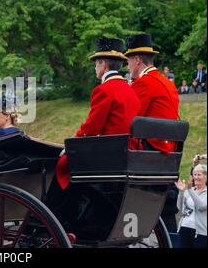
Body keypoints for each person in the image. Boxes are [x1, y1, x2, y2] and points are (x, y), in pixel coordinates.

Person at [49, 37, 141, 240]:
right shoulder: (131, 91)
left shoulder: (104, 90)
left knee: (64, 163)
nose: (95, 68)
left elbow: (91, 127)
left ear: (104, 64)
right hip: (126, 153)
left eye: (96, 64)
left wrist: (71, 144)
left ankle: (54, 219)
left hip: (109, 157)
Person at [125, 33, 181, 232]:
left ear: (137, 60)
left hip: (149, 156)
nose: (127, 66)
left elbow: (129, 121)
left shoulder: (144, 83)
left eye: (128, 61)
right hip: (167, 156)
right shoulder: (168, 83)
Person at [175, 164, 207, 248]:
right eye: (194, 174)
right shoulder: (190, 190)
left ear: (205, 177)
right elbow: (180, 208)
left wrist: (189, 190)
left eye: (199, 174)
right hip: (184, 227)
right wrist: (181, 192)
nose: (196, 177)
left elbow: (201, 206)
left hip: (200, 233)